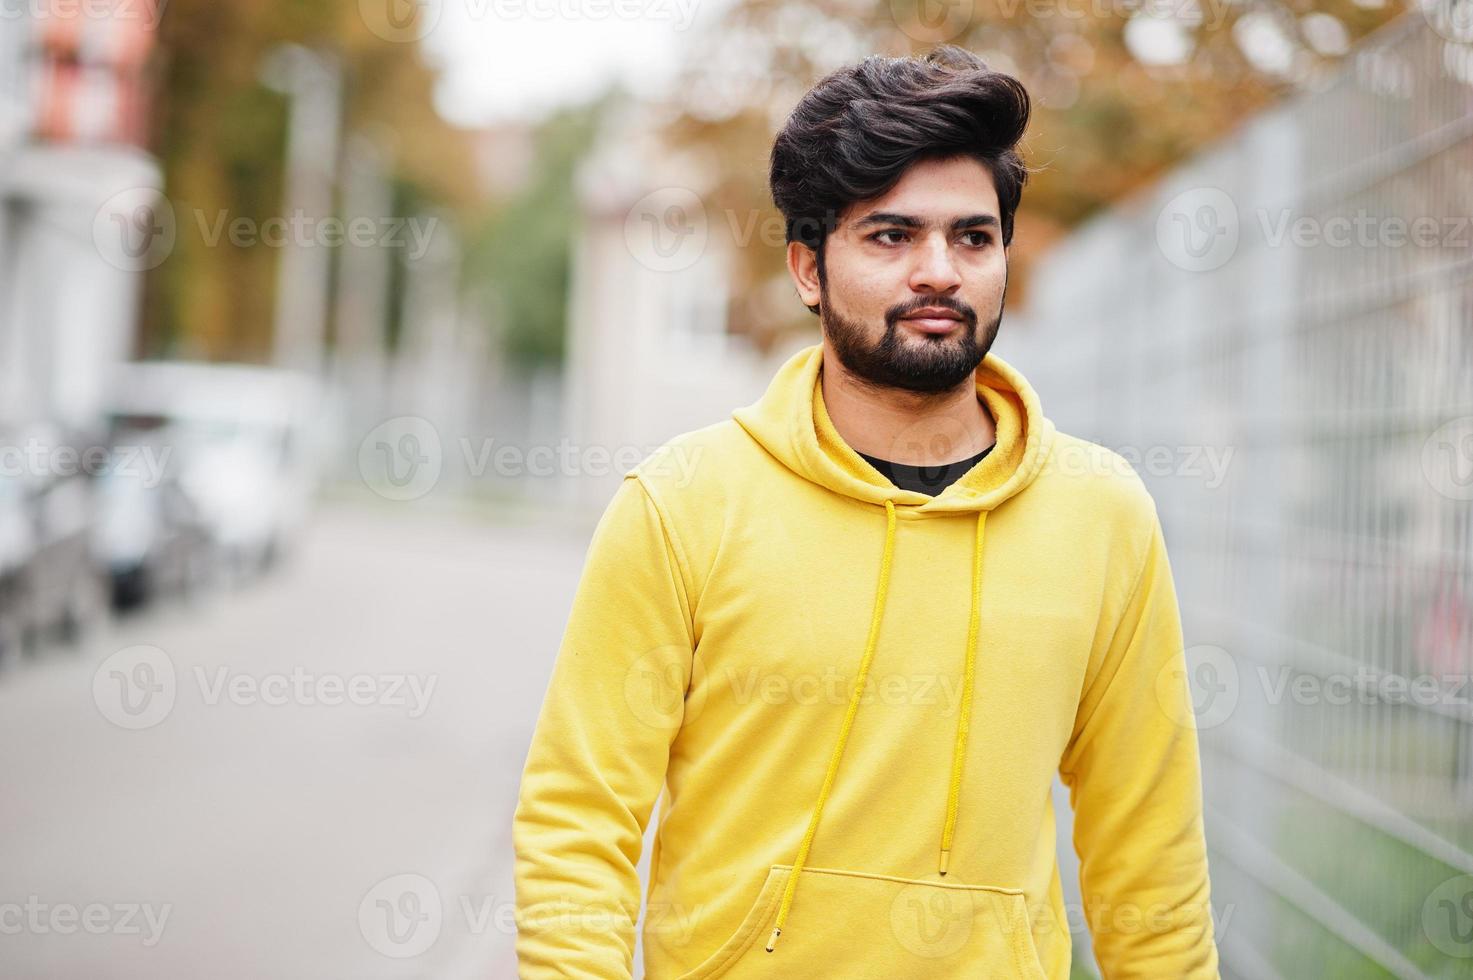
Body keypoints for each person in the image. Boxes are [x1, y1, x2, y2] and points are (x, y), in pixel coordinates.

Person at [513, 44, 1220, 979]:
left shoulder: (1101, 515)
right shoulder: (685, 504)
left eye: (972, 238)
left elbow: (1150, 858)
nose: (939, 270)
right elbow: (579, 822)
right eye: (891, 236)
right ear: (808, 268)